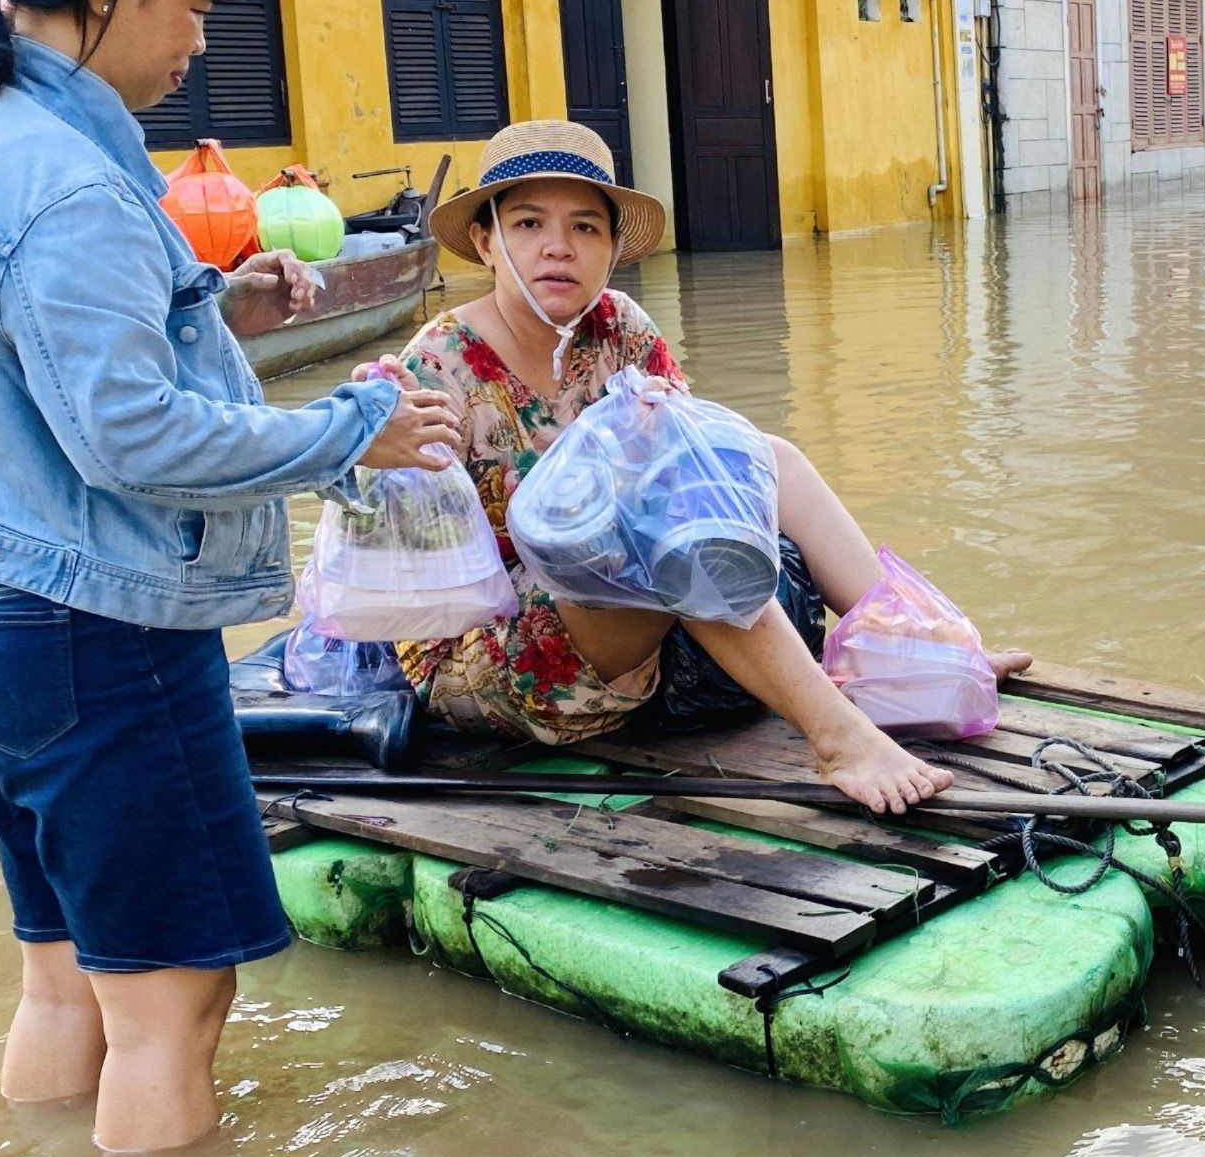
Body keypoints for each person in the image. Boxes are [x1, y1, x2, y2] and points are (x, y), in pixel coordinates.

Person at [0, 0, 458, 1153]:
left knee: (68, 975)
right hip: (107, 642)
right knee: (175, 1001)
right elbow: (131, 438)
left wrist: (213, 299)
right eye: (191, 4)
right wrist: (351, 426)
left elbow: (49, 366)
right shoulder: (73, 178)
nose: (199, 40)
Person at [375, 120, 1028, 813]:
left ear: (613, 248)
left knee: (762, 460)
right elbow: (398, 552)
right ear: (486, 241)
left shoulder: (619, 328)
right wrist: (372, 432)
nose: (559, 247)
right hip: (488, 645)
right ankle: (840, 738)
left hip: (625, 599)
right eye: (530, 222)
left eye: (586, 228)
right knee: (669, 536)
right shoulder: (435, 362)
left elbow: (704, 469)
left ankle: (910, 647)